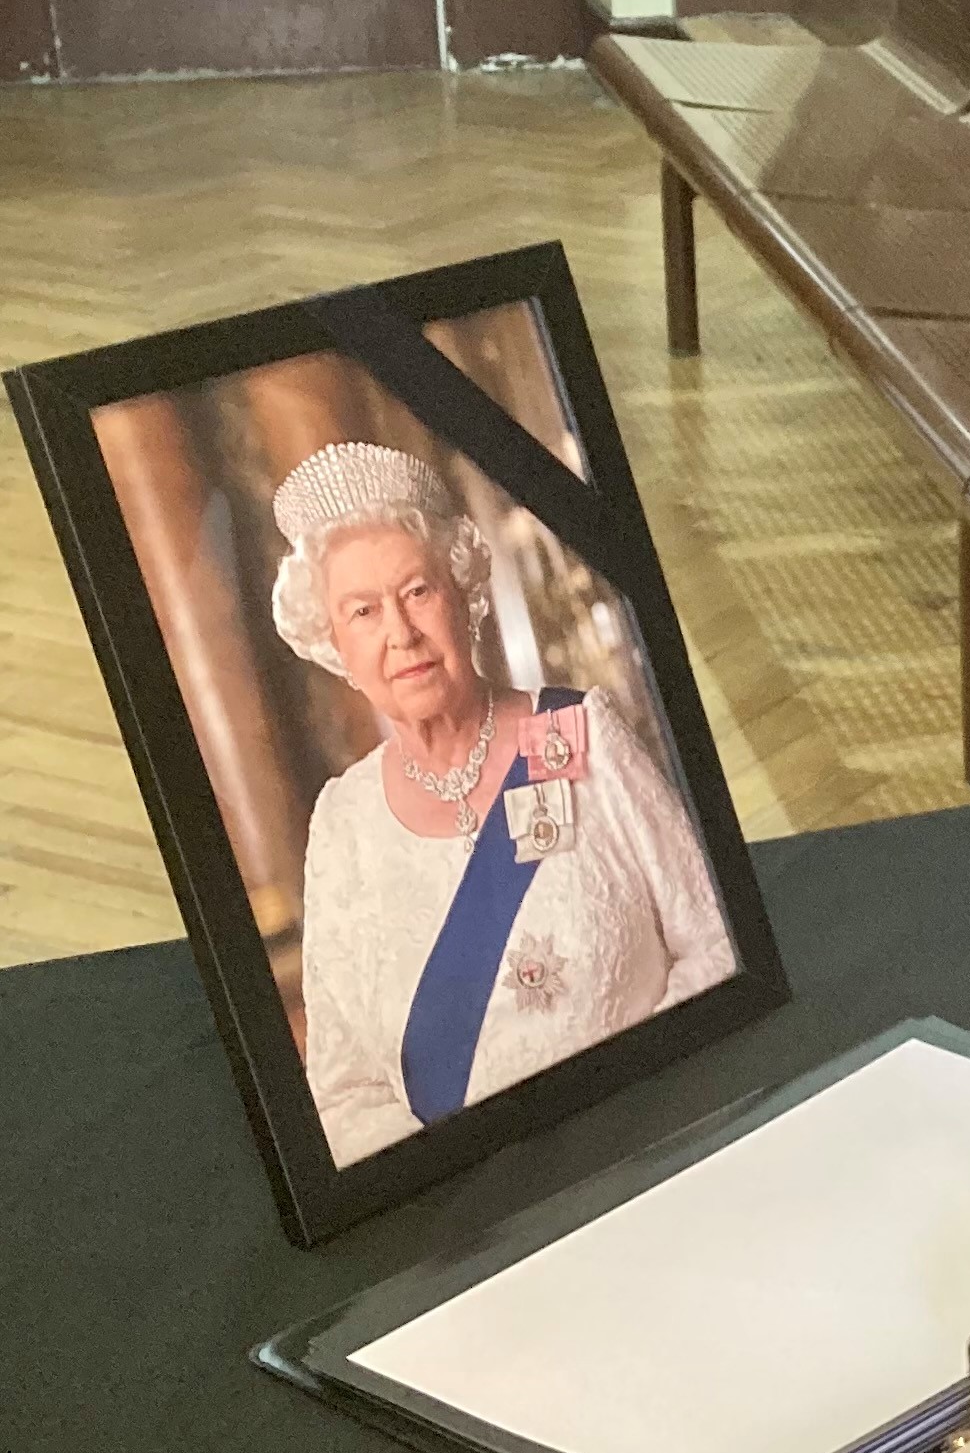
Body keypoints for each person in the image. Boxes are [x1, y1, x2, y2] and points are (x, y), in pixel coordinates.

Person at [269, 440, 735, 1166]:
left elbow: (716, 942)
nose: (400, 634)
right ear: (335, 645)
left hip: (655, 1148)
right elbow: (345, 1093)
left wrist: (634, 1121)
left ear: (465, 596)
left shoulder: (582, 733)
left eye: (418, 592)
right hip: (474, 1210)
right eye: (363, 612)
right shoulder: (341, 823)